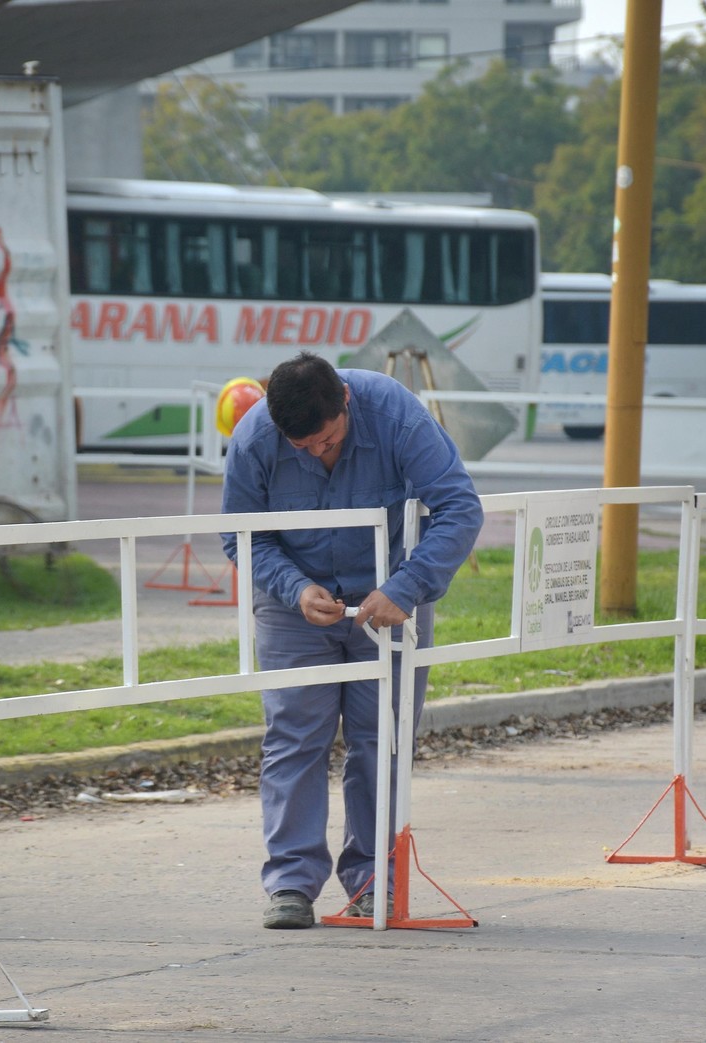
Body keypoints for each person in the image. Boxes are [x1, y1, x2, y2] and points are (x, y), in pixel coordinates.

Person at [220, 351, 482, 930]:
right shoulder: (254, 436)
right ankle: (290, 884)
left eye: (328, 439)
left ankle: (374, 880)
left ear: (345, 397)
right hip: (295, 606)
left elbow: (460, 506)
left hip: (388, 596)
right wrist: (294, 587)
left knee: (381, 739)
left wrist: (408, 586)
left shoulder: (394, 411)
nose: (317, 452)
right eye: (302, 448)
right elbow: (240, 536)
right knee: (294, 737)